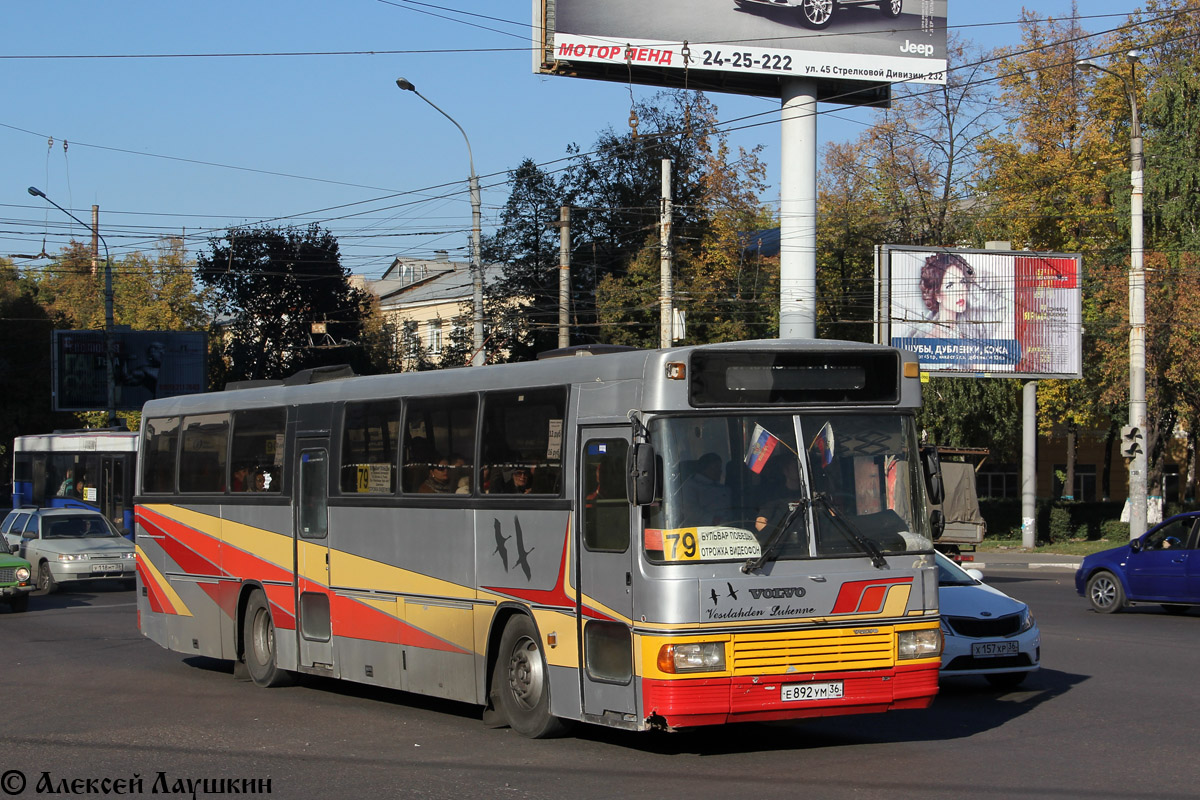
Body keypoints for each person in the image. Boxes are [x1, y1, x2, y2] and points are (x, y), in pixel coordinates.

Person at [917, 252, 975, 339]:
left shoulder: (968, 331)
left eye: (962, 282)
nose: (960, 291)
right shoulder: (933, 338)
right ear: (937, 295)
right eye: (950, 285)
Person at [678, 452, 731, 526]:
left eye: (720, 468)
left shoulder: (724, 488)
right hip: (702, 530)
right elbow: (690, 511)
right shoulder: (690, 486)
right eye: (716, 467)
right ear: (704, 468)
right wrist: (713, 520)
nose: (720, 471)